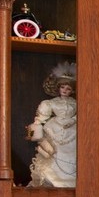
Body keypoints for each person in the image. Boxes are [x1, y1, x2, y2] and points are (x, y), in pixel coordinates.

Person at [25, 60, 77, 188]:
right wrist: (32, 131)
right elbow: (39, 119)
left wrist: (74, 120)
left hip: (73, 129)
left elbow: (82, 114)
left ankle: (73, 179)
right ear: (58, 88)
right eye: (63, 87)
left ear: (72, 90)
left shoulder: (76, 103)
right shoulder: (50, 103)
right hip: (55, 128)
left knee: (74, 152)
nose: (65, 90)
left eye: (68, 88)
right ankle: (53, 179)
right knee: (52, 152)